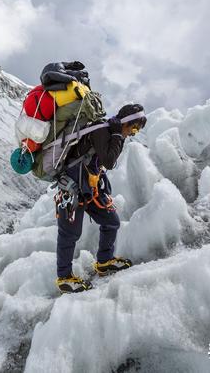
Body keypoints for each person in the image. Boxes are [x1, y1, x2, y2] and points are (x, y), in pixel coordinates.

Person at [55, 103, 147, 293]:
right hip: (72, 188)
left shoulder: (111, 131)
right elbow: (109, 161)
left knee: (111, 221)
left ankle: (104, 261)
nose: (134, 133)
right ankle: (64, 278)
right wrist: (116, 136)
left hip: (90, 188)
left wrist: (116, 135)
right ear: (126, 122)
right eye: (134, 127)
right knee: (69, 233)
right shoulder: (103, 131)